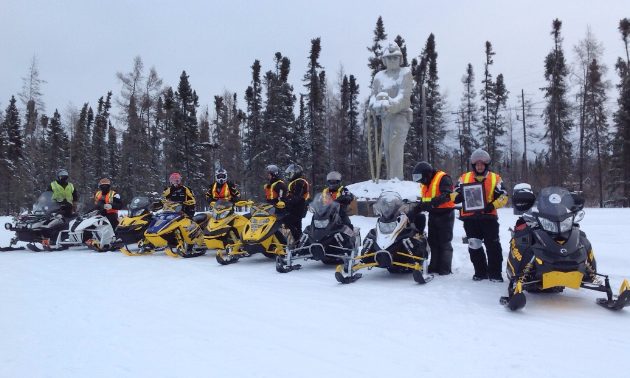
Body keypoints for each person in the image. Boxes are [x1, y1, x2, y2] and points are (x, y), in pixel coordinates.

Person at [453, 149, 508, 282]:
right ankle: (480, 272)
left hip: (489, 218)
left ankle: (495, 273)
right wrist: (458, 197)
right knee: (474, 245)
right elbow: (453, 193)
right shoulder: (464, 177)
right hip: (470, 218)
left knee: (493, 246)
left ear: (486, 164)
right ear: (473, 165)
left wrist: (492, 205)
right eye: (477, 164)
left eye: (482, 164)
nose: (479, 166)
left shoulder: (495, 178)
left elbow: (504, 196)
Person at [368, 42, 413, 180]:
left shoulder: (405, 73)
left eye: (395, 58)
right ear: (384, 60)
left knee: (395, 148)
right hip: (385, 118)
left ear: (400, 59)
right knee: (386, 149)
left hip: (400, 116)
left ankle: (396, 179)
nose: (392, 61)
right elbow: (373, 96)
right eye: (389, 58)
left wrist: (389, 104)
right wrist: (375, 106)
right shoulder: (379, 76)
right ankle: (390, 178)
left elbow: (404, 97)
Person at [409, 161, 455, 276]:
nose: (420, 180)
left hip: (446, 214)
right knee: (433, 241)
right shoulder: (424, 184)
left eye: (420, 177)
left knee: (444, 242)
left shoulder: (443, 178)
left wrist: (432, 203)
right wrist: (415, 210)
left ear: (427, 174)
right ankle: (434, 266)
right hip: (433, 214)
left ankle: (445, 268)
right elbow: (424, 200)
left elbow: (447, 195)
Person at [284, 163, 310, 241]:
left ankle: (300, 239)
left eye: (290, 173)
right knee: (297, 225)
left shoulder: (300, 182)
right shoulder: (295, 182)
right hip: (295, 207)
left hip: (299, 207)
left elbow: (298, 195)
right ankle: (298, 241)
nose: (289, 175)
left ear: (295, 172)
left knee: (286, 221)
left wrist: (288, 201)